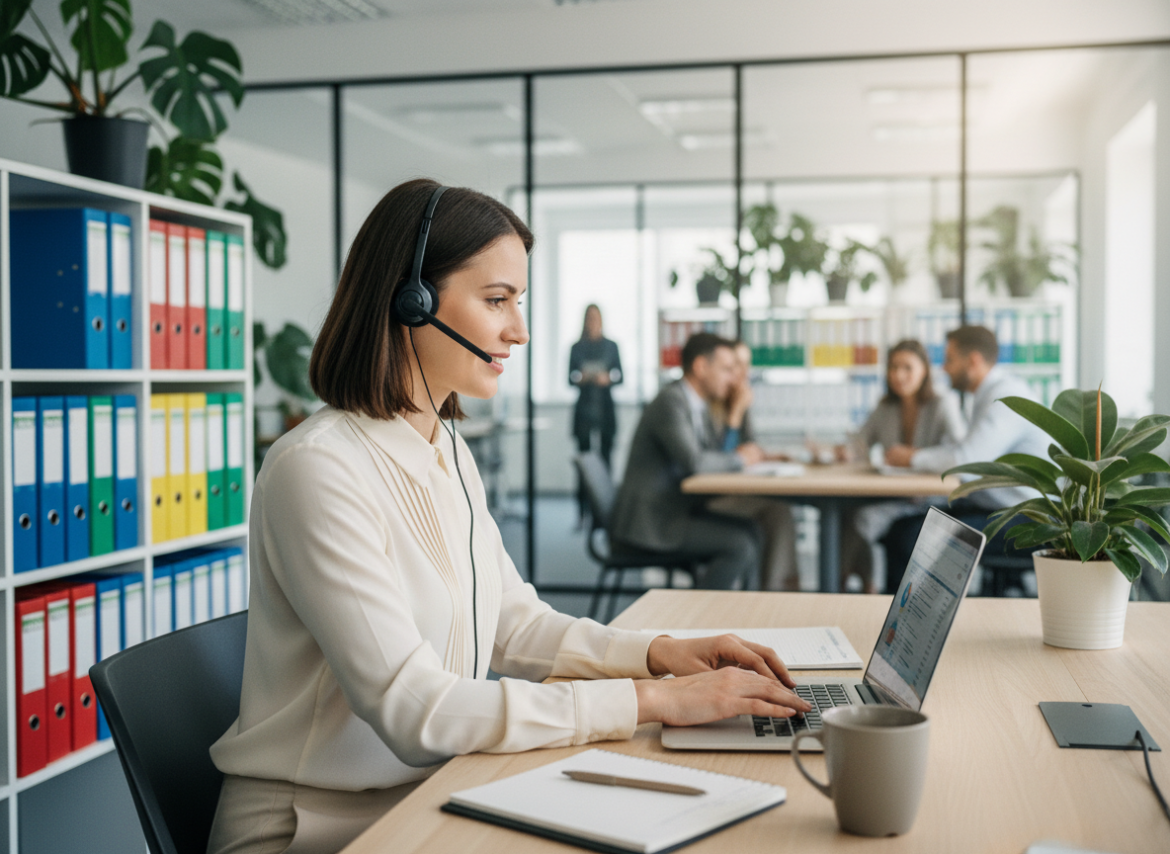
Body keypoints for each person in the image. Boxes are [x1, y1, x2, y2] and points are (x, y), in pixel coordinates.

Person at [205, 180, 810, 854]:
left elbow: (513, 624)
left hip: (431, 789)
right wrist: (653, 700)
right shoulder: (319, 467)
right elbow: (414, 709)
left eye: (517, 302)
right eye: (497, 300)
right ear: (412, 300)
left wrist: (659, 655)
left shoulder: (447, 450)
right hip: (315, 825)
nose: (519, 330)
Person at [881, 325, 1048, 592]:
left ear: (973, 361)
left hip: (1026, 520)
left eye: (950, 360)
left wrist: (912, 457)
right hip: (995, 507)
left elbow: (966, 461)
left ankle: (915, 614)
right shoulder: (987, 396)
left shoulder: (1006, 398)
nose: (944, 368)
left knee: (911, 536)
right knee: (900, 529)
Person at [610, 333, 774, 590]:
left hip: (678, 509)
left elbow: (716, 457)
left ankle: (746, 607)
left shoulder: (698, 406)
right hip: (653, 522)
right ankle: (702, 613)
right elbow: (696, 463)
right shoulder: (671, 401)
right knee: (739, 544)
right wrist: (740, 458)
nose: (734, 378)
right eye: (726, 369)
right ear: (700, 367)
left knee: (753, 531)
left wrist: (736, 416)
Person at [838, 339, 966, 593]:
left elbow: (960, 453)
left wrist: (914, 456)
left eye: (907, 368)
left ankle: (853, 582)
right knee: (845, 512)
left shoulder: (943, 403)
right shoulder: (886, 406)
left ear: (924, 370)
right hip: (892, 493)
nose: (898, 375)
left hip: (928, 495)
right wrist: (844, 451)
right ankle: (854, 581)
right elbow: (861, 441)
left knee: (862, 518)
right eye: (893, 367)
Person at [706, 339, 800, 591]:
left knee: (779, 509)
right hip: (711, 497)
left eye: (747, 365)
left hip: (733, 491)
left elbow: (747, 448)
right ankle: (780, 591)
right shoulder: (712, 402)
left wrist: (768, 456)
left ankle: (778, 590)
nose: (744, 373)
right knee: (777, 509)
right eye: (736, 365)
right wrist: (736, 413)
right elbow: (719, 460)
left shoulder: (735, 399)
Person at [569, 304, 622, 525]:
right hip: (584, 410)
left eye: (596, 317)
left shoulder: (611, 346)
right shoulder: (576, 347)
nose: (592, 321)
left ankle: (604, 513)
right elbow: (569, 378)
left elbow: (620, 376)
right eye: (589, 317)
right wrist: (581, 378)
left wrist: (607, 379)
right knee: (584, 462)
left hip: (605, 409)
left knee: (605, 460)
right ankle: (582, 512)